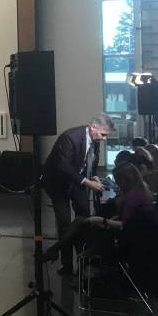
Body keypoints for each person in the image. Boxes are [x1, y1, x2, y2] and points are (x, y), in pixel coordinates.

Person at [42, 113, 114, 275]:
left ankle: (82, 260)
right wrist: (87, 182)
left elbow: (91, 160)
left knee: (84, 219)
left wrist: (93, 175)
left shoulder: (94, 139)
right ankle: (66, 264)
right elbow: (63, 166)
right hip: (58, 183)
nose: (103, 139)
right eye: (103, 134)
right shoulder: (70, 137)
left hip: (77, 181)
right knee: (64, 222)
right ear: (93, 127)